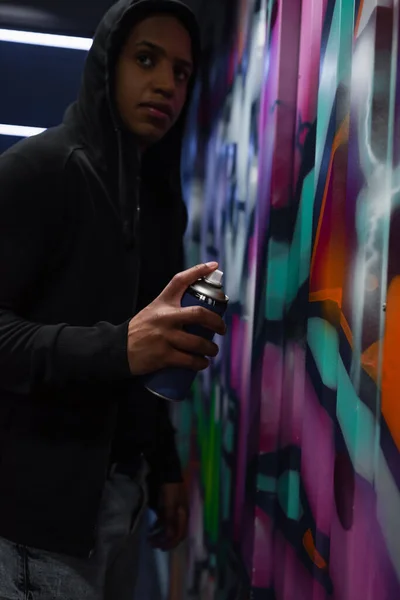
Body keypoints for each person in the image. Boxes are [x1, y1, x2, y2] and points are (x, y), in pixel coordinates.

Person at [0, 0, 225, 598]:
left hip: (123, 495)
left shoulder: (153, 202)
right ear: (107, 64)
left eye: (180, 72)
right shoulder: (41, 171)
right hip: (35, 523)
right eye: (145, 59)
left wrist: (164, 467)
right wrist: (119, 346)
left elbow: (152, 356)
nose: (165, 84)